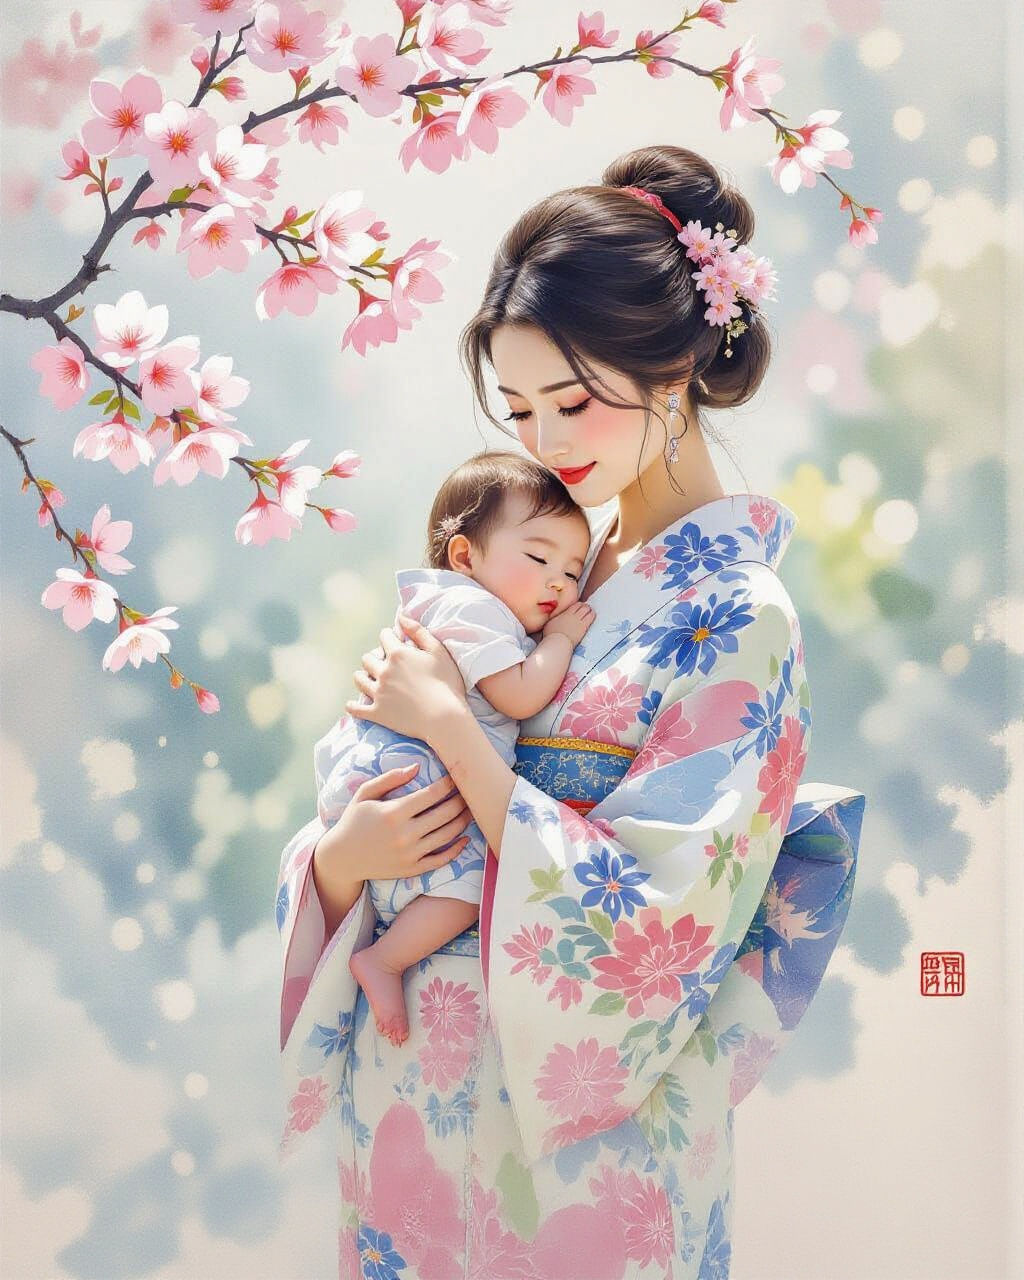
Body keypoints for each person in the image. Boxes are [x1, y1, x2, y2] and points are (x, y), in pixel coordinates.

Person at [276, 143, 866, 1278]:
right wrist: (343, 860)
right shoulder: (552, 570)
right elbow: (382, 780)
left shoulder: (739, 614)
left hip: (585, 1166)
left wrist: (454, 727)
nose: (543, 443)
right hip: (407, 1109)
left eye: (575, 401)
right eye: (520, 408)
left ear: (676, 371)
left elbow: (659, 928)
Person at [315, 450, 595, 1046]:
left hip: (391, 771)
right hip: (417, 775)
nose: (559, 582)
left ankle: (381, 950)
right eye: (540, 556)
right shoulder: (472, 608)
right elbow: (520, 696)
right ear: (465, 555)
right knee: (472, 889)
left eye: (573, 572)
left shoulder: (456, 605)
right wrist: (562, 640)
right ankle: (386, 959)